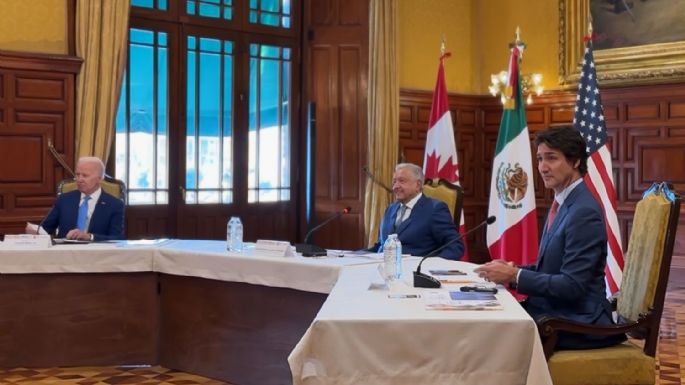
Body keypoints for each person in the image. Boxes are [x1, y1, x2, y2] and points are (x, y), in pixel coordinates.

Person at [474, 126, 625, 350]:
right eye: (539, 159)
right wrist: (511, 271)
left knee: (485, 336)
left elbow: (572, 285)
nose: (542, 167)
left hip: (575, 323)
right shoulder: (563, 202)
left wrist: (516, 275)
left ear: (575, 162)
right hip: (554, 313)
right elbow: (552, 269)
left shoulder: (584, 211)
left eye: (551, 158)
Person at [369, 163, 463, 260]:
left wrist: (428, 265)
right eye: (394, 182)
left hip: (413, 271)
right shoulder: (390, 209)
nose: (395, 187)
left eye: (401, 181)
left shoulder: (435, 209)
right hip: (380, 267)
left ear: (418, 185)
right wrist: (355, 255)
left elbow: (455, 247)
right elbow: (381, 245)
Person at [27, 156, 125, 241]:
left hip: (96, 256)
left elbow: (117, 238)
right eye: (77, 175)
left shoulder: (115, 205)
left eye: (85, 175)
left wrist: (89, 237)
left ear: (99, 179)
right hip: (65, 255)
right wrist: (36, 231)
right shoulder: (64, 200)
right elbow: (46, 228)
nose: (79, 179)